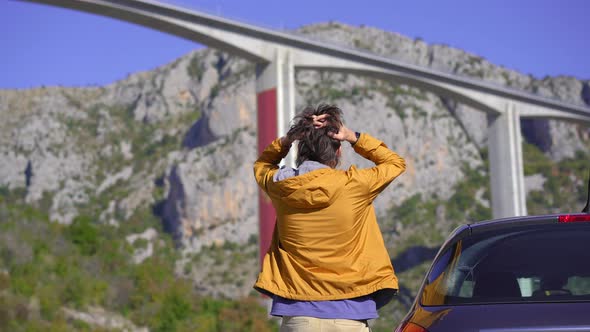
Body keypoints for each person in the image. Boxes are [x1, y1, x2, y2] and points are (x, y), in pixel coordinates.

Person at [253, 104, 406, 331]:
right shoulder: (355, 185)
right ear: (338, 151)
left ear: (299, 150)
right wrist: (352, 136)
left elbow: (262, 165)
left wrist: (287, 139)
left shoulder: (281, 185)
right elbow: (395, 163)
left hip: (298, 316)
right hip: (350, 315)